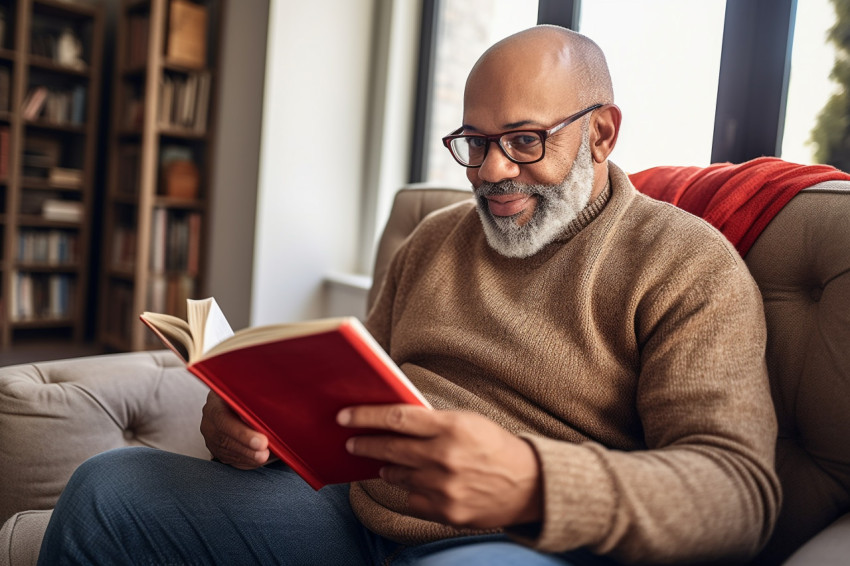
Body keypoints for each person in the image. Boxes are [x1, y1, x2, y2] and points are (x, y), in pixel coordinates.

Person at [38, 25, 780, 565]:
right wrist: (259, 432)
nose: (491, 172)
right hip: (351, 512)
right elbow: (352, 403)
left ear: (602, 134)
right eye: (475, 143)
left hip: (515, 541)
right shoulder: (434, 240)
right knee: (108, 489)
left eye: (524, 141)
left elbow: (739, 494)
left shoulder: (685, 265)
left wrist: (532, 483)